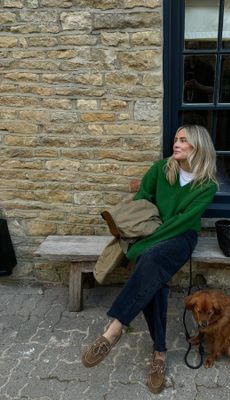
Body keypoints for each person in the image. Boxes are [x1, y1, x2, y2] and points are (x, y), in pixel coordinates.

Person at [81, 125, 218, 394]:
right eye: (175, 139)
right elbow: (142, 201)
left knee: (150, 259)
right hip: (153, 232)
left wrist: (146, 243)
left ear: (198, 147)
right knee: (156, 276)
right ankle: (159, 354)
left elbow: (182, 222)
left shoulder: (207, 185)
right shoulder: (161, 169)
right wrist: (144, 231)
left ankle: (115, 328)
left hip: (181, 237)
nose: (176, 144)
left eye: (183, 140)